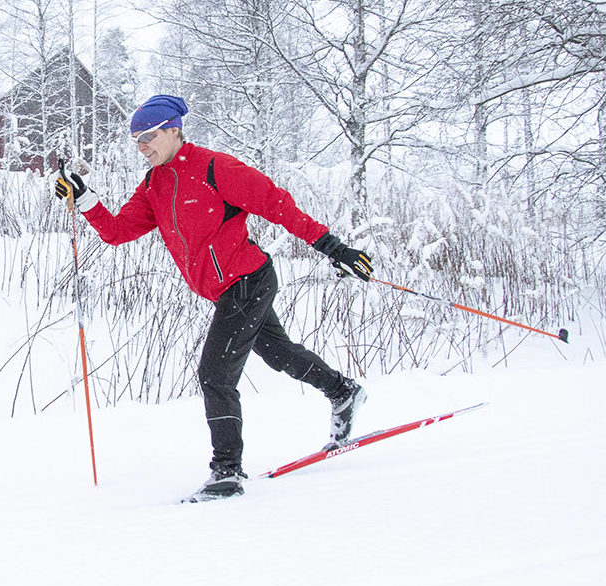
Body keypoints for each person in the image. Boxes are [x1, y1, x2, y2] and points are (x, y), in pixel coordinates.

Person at [52, 94, 373, 499]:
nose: (143, 146)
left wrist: (332, 247)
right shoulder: (155, 184)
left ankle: (227, 472)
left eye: (149, 136)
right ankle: (343, 392)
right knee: (277, 353)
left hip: (248, 280)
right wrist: (85, 200)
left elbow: (277, 205)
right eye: (137, 140)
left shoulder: (214, 168)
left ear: (174, 130)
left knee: (214, 373)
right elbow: (117, 231)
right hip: (225, 291)